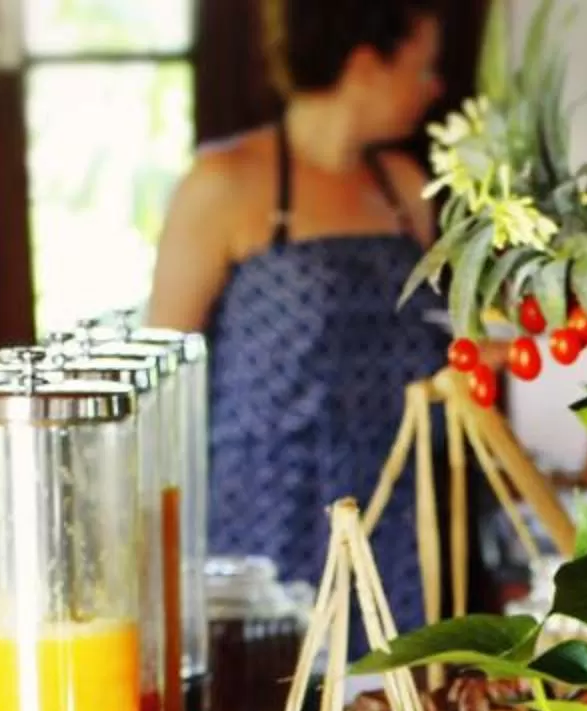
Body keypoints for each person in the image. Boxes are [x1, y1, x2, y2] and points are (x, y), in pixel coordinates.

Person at [146, 0, 445, 602]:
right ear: (365, 66)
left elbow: (427, 340)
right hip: (266, 517)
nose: (433, 87)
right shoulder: (223, 184)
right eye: (421, 68)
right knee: (277, 662)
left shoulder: (406, 185)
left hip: (397, 512)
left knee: (402, 665)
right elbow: (161, 381)